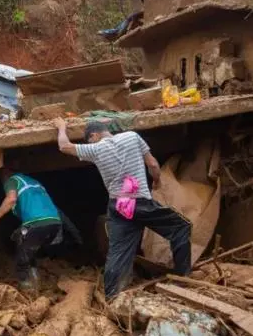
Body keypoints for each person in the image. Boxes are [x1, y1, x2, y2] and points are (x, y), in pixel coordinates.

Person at [54, 118, 192, 298]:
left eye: (89, 140)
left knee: (118, 251)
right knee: (181, 227)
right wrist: (157, 181)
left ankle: (112, 296)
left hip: (120, 206)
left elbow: (64, 146)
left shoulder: (96, 149)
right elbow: (152, 164)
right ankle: (183, 279)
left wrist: (61, 127)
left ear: (94, 135)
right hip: (139, 201)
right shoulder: (132, 137)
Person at [0, 169, 63, 291]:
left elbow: (11, 199)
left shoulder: (12, 180)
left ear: (4, 176)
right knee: (23, 241)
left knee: (21, 260)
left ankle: (27, 289)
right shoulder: (34, 182)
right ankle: (35, 279)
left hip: (38, 224)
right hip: (54, 223)